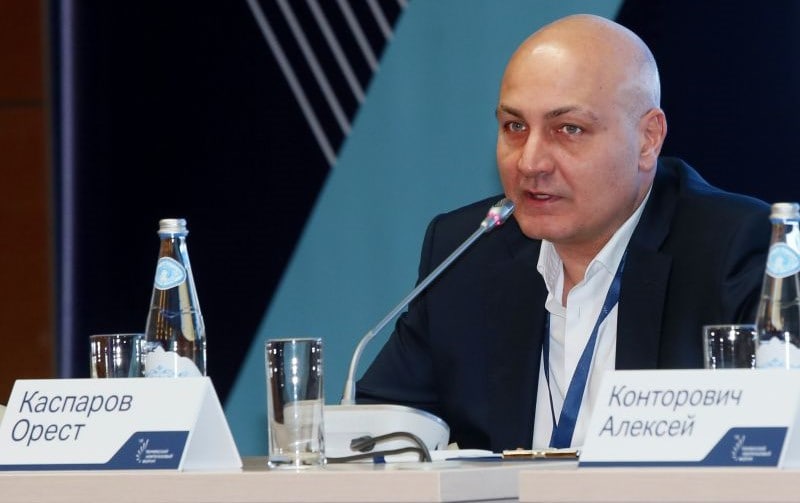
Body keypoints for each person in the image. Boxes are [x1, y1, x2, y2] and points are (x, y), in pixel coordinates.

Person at [355, 14, 770, 452]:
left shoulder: (736, 250)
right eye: (515, 127)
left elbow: (771, 447)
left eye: (569, 129)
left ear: (648, 139)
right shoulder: (468, 251)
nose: (530, 162)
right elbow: (372, 438)